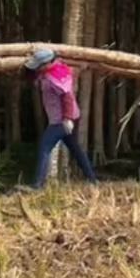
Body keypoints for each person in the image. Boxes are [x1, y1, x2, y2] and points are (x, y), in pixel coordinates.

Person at [23, 47, 98, 188]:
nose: (37, 69)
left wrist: (68, 118)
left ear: (47, 64)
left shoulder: (56, 76)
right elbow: (33, 76)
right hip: (60, 119)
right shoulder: (50, 71)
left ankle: (38, 185)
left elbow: (67, 97)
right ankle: (92, 180)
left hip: (61, 120)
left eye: (39, 66)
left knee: (44, 147)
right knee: (76, 150)